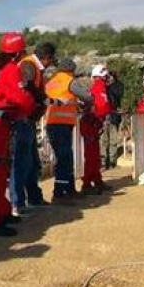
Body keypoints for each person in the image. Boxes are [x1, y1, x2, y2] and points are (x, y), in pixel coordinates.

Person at [0, 33, 36, 236]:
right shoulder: (11, 70)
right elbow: (19, 98)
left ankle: (1, 211)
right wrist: (32, 107)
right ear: (19, 52)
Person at [10, 42, 56, 216]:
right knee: (22, 162)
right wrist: (42, 99)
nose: (50, 64)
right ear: (46, 57)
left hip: (28, 119)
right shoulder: (29, 65)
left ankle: (33, 198)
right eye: (50, 60)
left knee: (31, 162)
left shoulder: (32, 66)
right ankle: (18, 203)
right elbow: (27, 84)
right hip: (23, 119)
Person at [44, 58, 93, 200]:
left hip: (52, 123)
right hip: (63, 124)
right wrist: (90, 101)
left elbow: (61, 99)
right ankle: (59, 193)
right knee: (64, 159)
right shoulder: (69, 81)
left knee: (66, 157)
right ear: (72, 70)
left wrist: (75, 103)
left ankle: (69, 189)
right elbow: (87, 97)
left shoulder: (52, 81)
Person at [80, 64, 113, 194]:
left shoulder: (98, 86)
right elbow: (102, 106)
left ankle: (96, 180)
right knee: (91, 155)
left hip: (93, 123)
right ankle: (87, 183)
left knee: (93, 155)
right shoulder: (99, 86)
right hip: (91, 124)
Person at [102, 70, 124, 170]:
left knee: (113, 139)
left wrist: (109, 86)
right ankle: (103, 161)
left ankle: (111, 161)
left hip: (113, 115)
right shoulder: (102, 86)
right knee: (104, 140)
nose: (108, 79)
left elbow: (118, 93)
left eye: (110, 76)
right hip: (103, 115)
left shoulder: (117, 86)